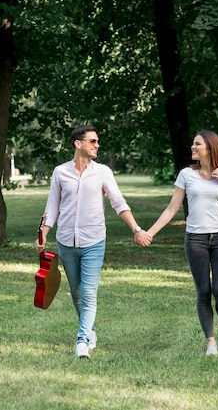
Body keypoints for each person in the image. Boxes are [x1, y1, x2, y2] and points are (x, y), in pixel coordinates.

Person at [36, 125, 152, 359]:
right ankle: (90, 331)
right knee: (76, 292)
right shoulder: (60, 172)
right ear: (78, 144)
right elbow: (53, 206)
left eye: (97, 141)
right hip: (66, 241)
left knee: (88, 292)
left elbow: (118, 202)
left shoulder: (103, 172)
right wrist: (44, 233)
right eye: (92, 141)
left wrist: (136, 229)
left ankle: (82, 341)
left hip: (94, 241)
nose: (97, 145)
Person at [144, 130, 218, 356]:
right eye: (192, 144)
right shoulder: (186, 175)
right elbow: (172, 208)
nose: (192, 147)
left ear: (210, 147)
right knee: (203, 291)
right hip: (195, 239)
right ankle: (210, 342)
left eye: (197, 144)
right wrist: (150, 232)